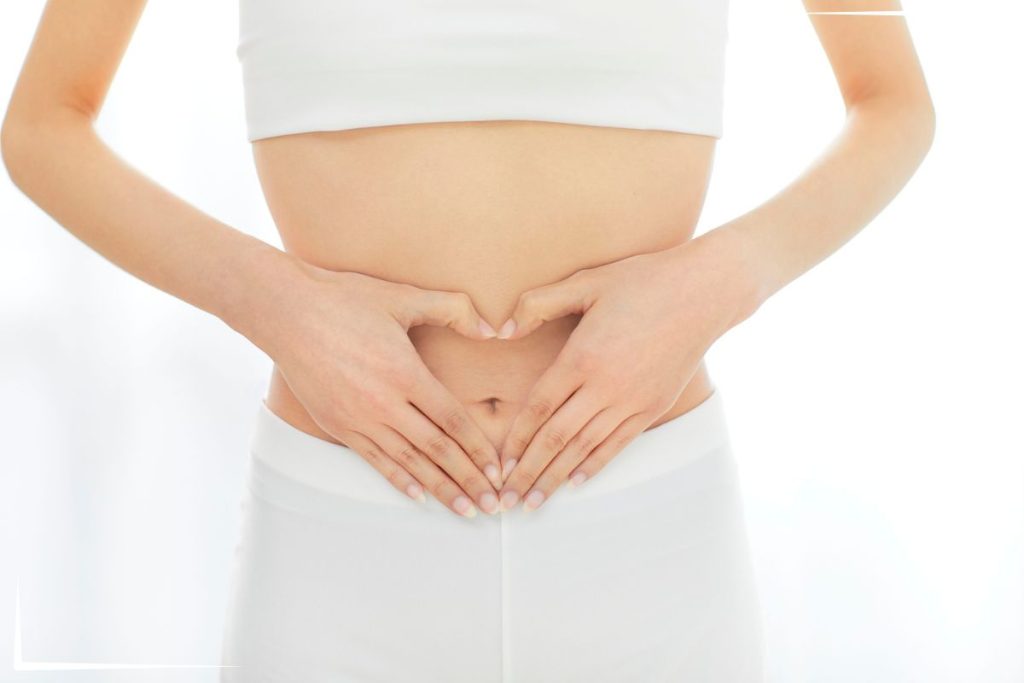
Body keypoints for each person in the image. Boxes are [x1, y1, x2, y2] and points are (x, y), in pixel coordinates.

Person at [1, 0, 934, 680]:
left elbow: (893, 102)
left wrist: (722, 283)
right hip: (340, 539)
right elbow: (43, 122)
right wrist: (272, 302)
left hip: (649, 530)